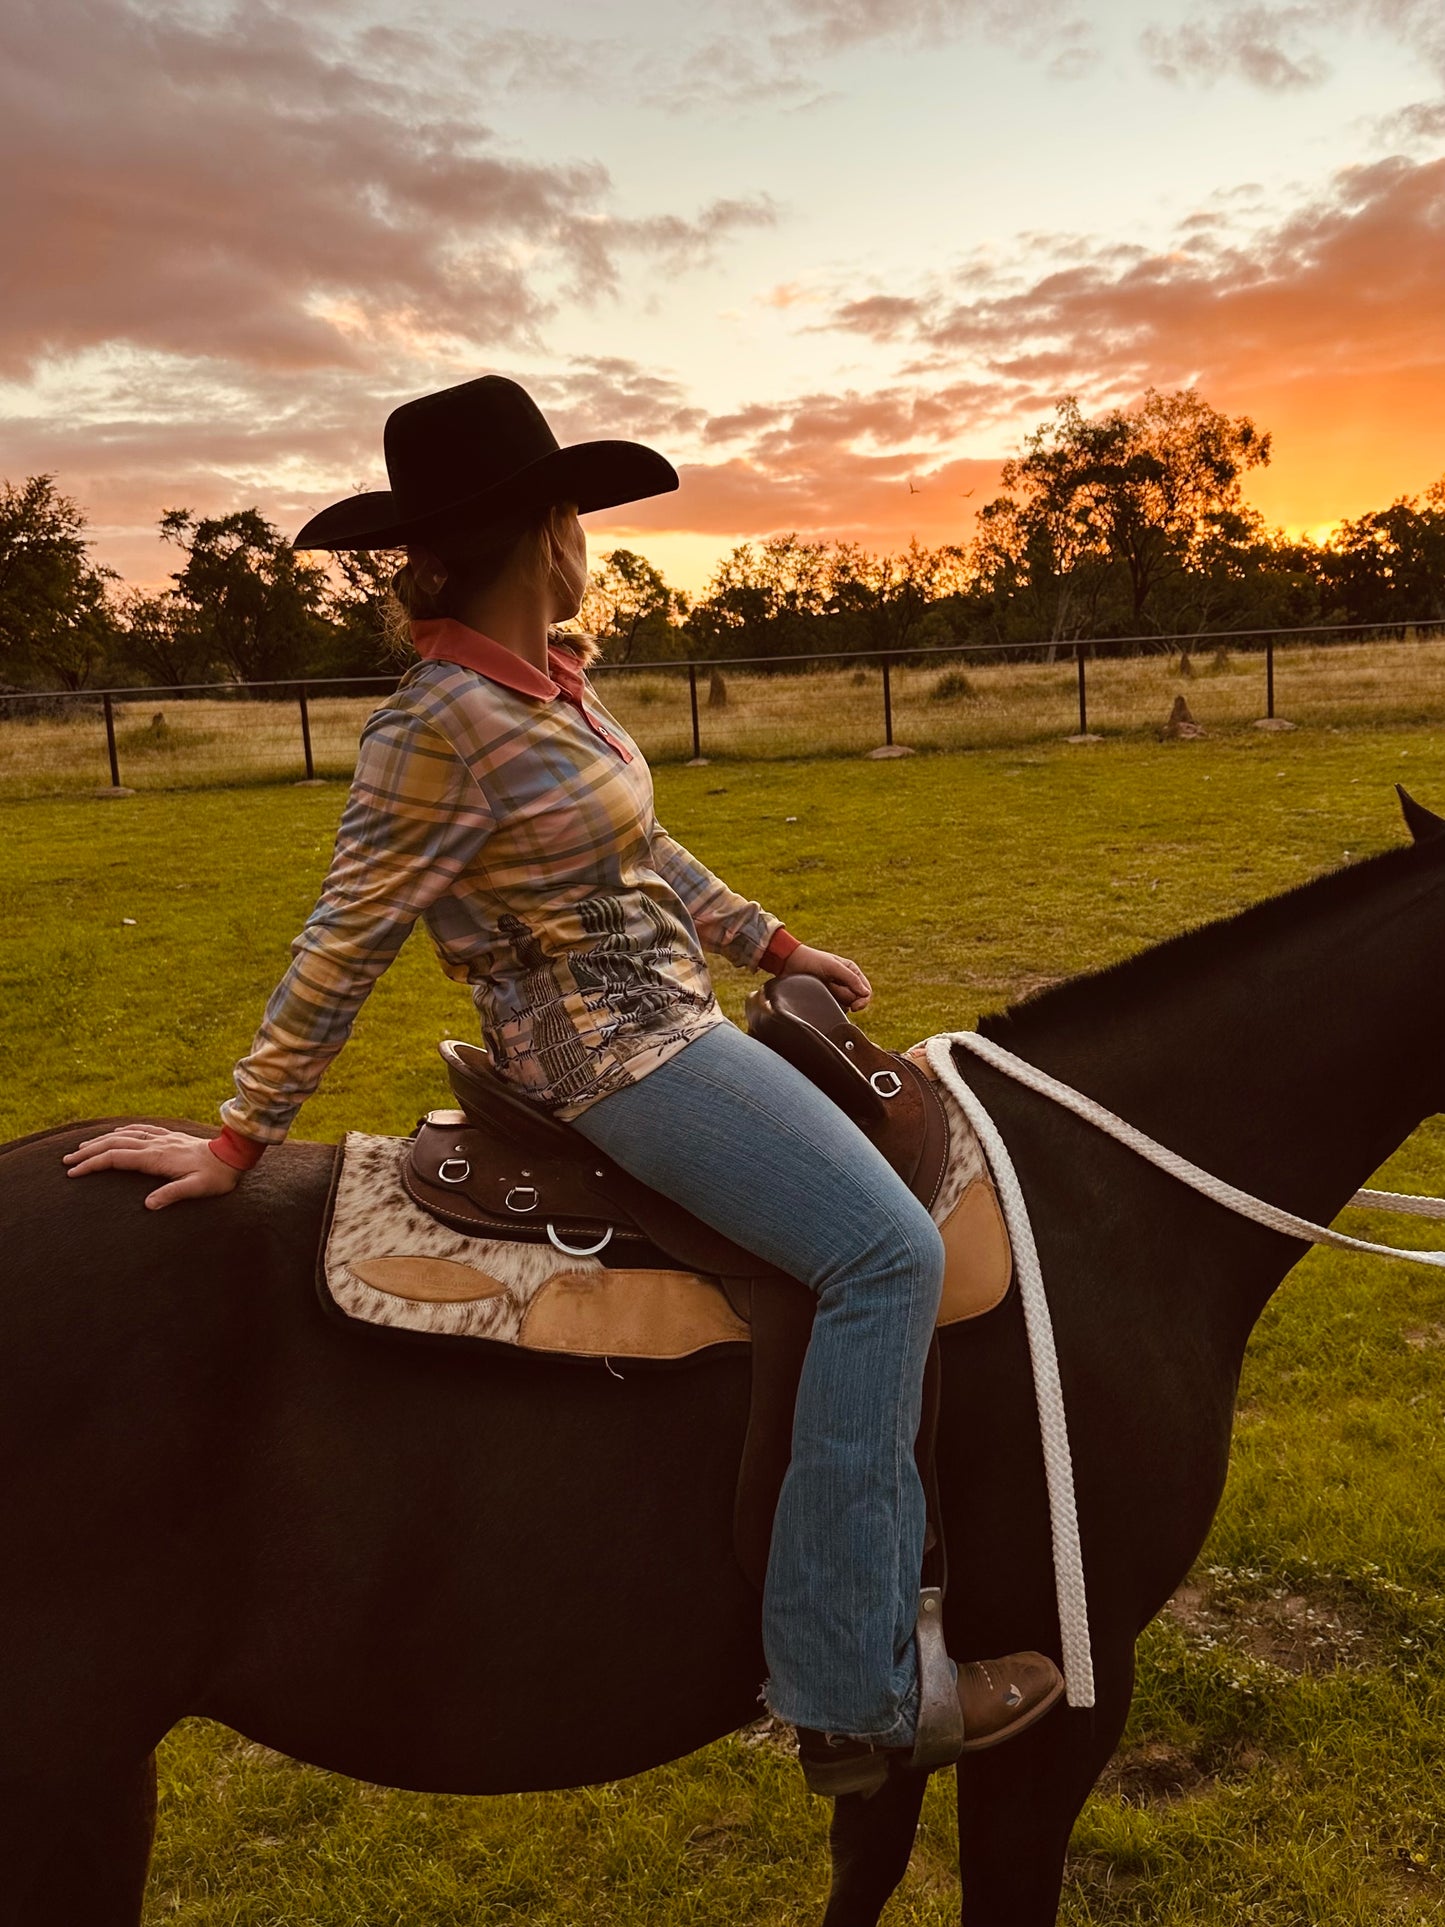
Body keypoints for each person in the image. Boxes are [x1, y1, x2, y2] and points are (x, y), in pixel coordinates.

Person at [65, 376, 1061, 1795]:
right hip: (613, 1059)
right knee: (884, 1257)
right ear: (545, 526)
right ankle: (851, 1685)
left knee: (882, 1212)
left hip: (679, 1010)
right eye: (575, 509)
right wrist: (238, 1139)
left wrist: (770, 942)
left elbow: (641, 854)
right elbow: (344, 936)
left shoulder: (552, 685)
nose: (583, 531)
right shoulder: (438, 725)